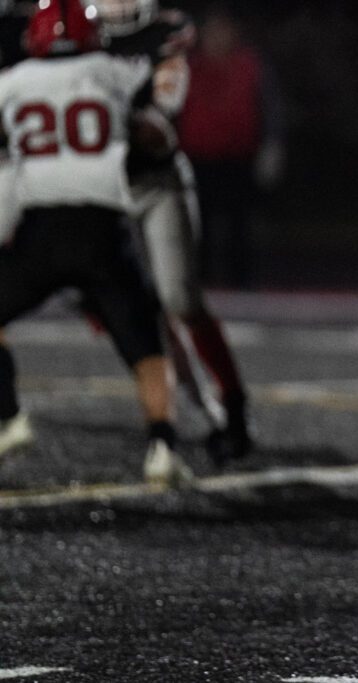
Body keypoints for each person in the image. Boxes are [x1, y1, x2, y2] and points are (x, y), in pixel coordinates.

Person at [0, 0, 192, 485]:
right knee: (146, 344)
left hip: (39, 232)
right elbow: (156, 130)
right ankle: (163, 447)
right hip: (103, 230)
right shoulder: (112, 71)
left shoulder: (11, 83)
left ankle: (9, 415)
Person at [92, 0, 253, 464]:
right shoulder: (68, 30)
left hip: (156, 182)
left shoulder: (165, 31)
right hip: (98, 187)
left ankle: (233, 401)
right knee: (131, 310)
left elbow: (163, 113)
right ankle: (197, 408)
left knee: (180, 298)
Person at [177, 3, 285, 289]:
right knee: (197, 225)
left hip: (239, 157)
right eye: (212, 31)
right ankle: (199, 281)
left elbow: (269, 107)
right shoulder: (186, 66)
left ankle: (242, 283)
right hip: (196, 158)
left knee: (241, 225)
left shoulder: (251, 64)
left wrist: (272, 145)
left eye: (224, 31)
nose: (218, 37)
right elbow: (171, 110)